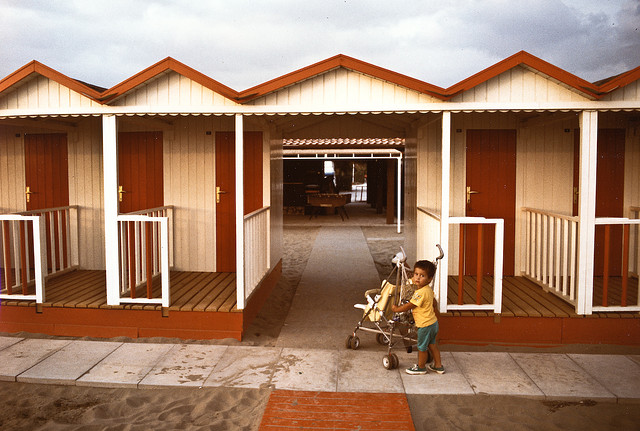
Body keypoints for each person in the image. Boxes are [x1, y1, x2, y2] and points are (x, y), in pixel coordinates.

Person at [391, 260, 445, 375]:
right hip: (433, 323)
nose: (418, 278)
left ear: (430, 279)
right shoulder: (428, 290)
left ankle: (421, 367)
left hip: (424, 325)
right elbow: (434, 303)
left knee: (422, 347)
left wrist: (397, 309)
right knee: (433, 344)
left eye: (422, 276)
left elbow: (410, 305)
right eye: (416, 274)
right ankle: (438, 366)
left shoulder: (420, 293)